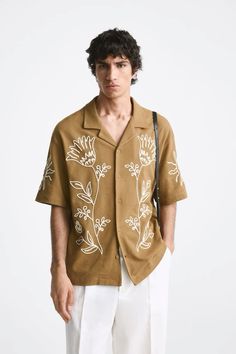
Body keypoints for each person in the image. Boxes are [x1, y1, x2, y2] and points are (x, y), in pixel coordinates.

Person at [35, 28, 188, 354]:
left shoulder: (158, 127)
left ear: (134, 69)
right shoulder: (68, 131)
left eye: (120, 64)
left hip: (145, 265)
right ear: (94, 70)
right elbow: (58, 204)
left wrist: (167, 252)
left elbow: (170, 194)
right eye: (103, 65)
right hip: (87, 269)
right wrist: (58, 269)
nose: (111, 74)